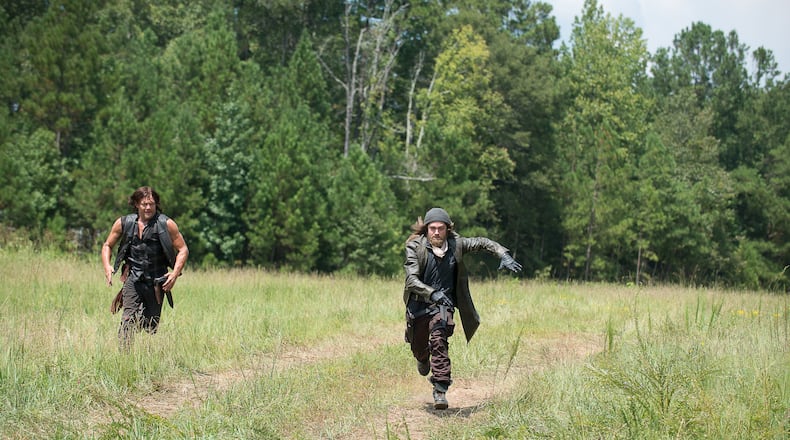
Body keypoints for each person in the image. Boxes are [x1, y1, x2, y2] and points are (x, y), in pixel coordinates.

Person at [403, 207, 522, 409]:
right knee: (419, 349)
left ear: (448, 230)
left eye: (441, 228)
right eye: (432, 228)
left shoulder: (456, 245)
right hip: (419, 304)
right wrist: (432, 293)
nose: (437, 233)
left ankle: (440, 389)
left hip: (444, 306)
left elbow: (483, 243)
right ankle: (422, 358)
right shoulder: (415, 247)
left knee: (439, 339)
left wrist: (503, 254)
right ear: (426, 230)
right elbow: (411, 280)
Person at [102, 186, 189, 349]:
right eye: (144, 204)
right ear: (136, 204)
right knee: (127, 320)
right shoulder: (124, 223)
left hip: (157, 282)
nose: (148, 207)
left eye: (152, 204)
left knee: (150, 326)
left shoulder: (166, 224)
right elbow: (107, 245)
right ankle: (125, 360)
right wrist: (107, 267)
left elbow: (183, 249)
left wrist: (175, 274)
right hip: (133, 279)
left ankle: (142, 319)